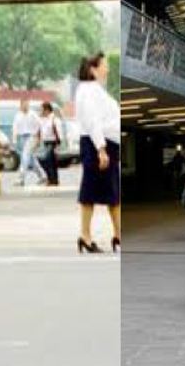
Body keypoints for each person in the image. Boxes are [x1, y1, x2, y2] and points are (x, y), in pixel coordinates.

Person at [74, 52, 121, 254]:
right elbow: (92, 121)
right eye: (104, 64)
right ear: (93, 69)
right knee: (91, 191)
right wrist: (101, 149)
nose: (107, 68)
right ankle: (86, 235)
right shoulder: (87, 90)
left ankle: (118, 234)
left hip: (105, 146)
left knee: (112, 193)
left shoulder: (96, 90)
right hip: (97, 146)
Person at [12, 98, 46, 186]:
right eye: (23, 104)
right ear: (20, 105)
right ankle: (42, 176)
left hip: (32, 137)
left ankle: (21, 178)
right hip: (22, 138)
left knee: (25, 156)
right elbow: (15, 128)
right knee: (31, 159)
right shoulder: (18, 115)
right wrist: (15, 140)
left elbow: (40, 125)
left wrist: (39, 138)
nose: (25, 106)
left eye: (27, 104)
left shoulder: (33, 114)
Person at [37, 102, 63, 186]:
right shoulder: (42, 119)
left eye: (42, 110)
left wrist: (58, 144)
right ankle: (52, 179)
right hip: (45, 142)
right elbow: (40, 131)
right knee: (49, 162)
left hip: (53, 142)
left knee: (47, 160)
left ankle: (53, 179)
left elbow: (59, 132)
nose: (40, 111)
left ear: (47, 110)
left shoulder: (54, 119)